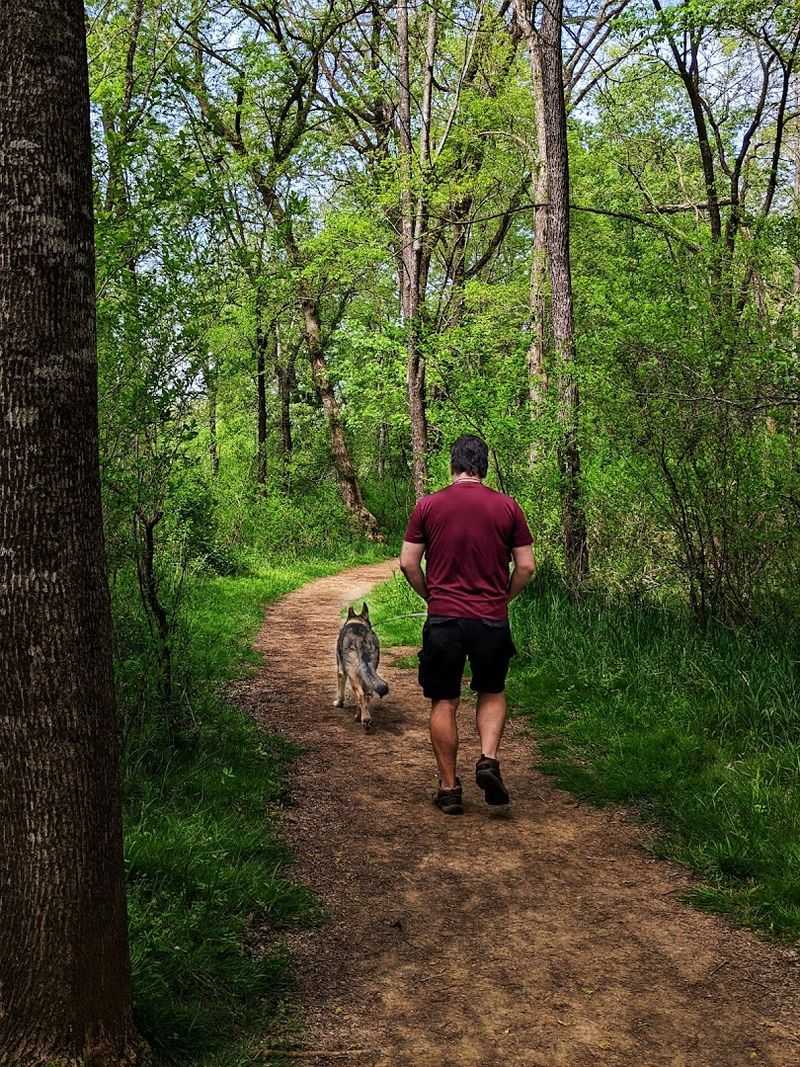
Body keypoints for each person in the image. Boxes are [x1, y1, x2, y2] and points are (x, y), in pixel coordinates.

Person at [399, 434, 536, 815]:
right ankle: (488, 759)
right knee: (491, 690)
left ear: (453, 465)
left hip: (444, 619)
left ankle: (448, 789)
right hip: (491, 619)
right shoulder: (508, 507)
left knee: (444, 699)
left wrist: (431, 596)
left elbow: (408, 562)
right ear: (484, 466)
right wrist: (504, 597)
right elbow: (525, 566)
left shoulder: (428, 506)